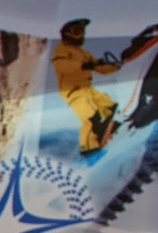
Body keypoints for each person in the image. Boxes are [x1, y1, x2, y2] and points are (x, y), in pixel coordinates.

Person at [51, 18, 122, 155]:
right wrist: (83, 65)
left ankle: (108, 131)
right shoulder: (61, 51)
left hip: (86, 89)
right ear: (67, 33)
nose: (80, 35)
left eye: (82, 31)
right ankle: (89, 149)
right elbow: (63, 66)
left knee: (110, 106)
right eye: (76, 31)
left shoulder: (84, 53)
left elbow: (98, 67)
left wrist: (114, 67)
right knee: (91, 117)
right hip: (72, 91)